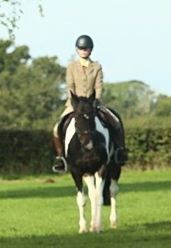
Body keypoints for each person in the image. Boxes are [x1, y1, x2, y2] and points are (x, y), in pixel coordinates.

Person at [52, 34, 128, 173]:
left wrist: (96, 100)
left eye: (86, 49)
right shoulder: (71, 67)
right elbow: (70, 86)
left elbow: (98, 85)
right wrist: (74, 102)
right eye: (81, 49)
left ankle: (120, 151)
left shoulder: (97, 67)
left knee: (116, 121)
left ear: (90, 50)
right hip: (75, 104)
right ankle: (61, 158)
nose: (84, 51)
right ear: (77, 50)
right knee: (57, 128)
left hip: (94, 104)